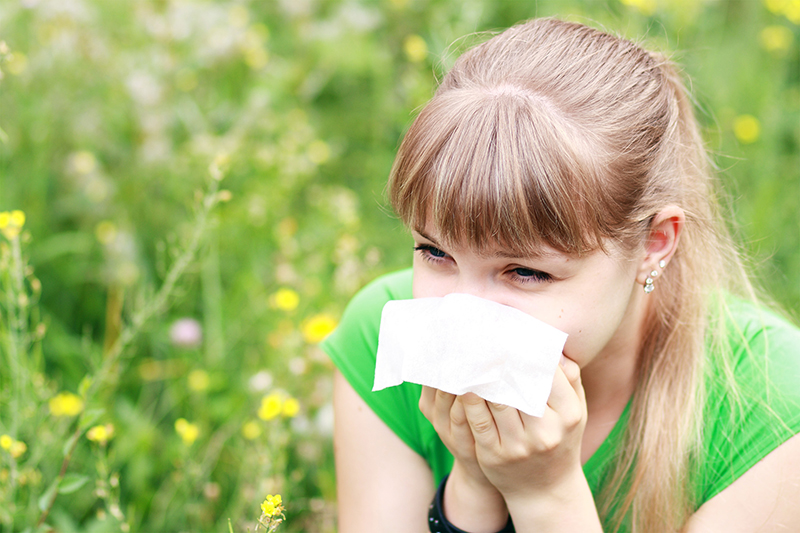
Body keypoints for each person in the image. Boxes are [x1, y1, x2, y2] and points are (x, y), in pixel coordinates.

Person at [320, 17, 800, 533]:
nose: (464, 313)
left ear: (653, 244)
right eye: (435, 253)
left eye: (525, 271)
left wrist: (546, 496)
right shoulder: (378, 339)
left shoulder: (771, 406)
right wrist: (474, 489)